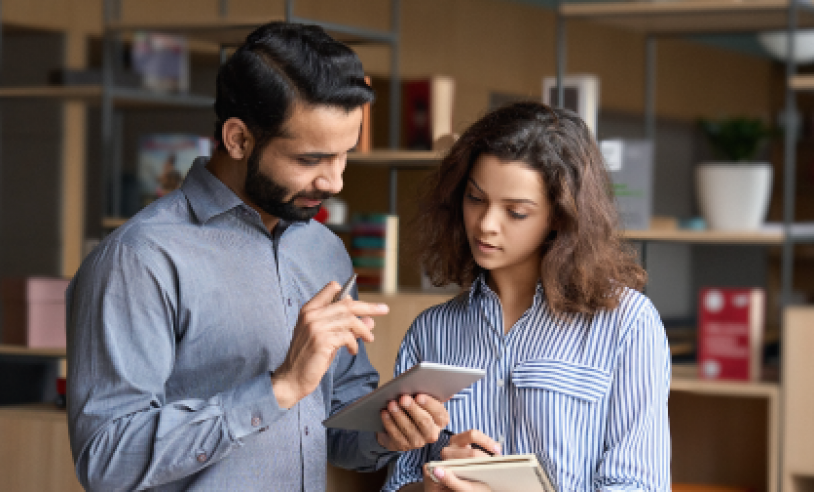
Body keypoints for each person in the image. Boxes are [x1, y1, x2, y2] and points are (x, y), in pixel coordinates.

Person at [66, 22, 449, 491]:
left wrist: (390, 430)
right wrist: (279, 388)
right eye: (311, 160)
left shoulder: (323, 249)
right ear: (238, 139)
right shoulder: (139, 259)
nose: (334, 182)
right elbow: (106, 461)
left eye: (343, 155)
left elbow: (332, 431)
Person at [381, 102, 671, 492]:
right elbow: (398, 482)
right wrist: (433, 485)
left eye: (515, 212)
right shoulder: (431, 333)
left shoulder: (628, 323)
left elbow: (639, 485)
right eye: (475, 198)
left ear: (559, 217)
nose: (486, 224)